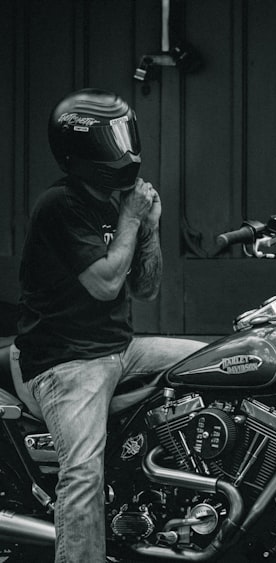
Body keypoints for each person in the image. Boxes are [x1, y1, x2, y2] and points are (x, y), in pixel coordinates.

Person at [15, 88, 204, 562]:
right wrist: (131, 218)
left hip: (118, 349)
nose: (124, 148)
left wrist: (150, 227)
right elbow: (103, 284)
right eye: (111, 138)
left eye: (125, 134)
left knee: (214, 363)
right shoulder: (60, 205)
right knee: (82, 471)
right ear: (82, 149)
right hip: (64, 361)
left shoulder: (117, 202)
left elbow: (144, 288)